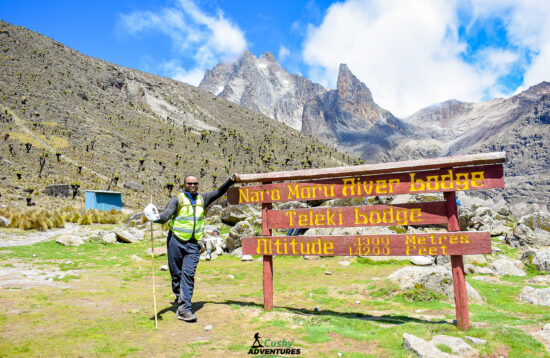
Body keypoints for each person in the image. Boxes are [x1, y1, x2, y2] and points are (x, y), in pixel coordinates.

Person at [153, 174, 236, 322]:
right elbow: (166, 215)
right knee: (176, 274)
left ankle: (184, 309)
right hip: (175, 241)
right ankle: (180, 299)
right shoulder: (177, 199)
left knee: (188, 275)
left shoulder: (202, 198)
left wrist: (230, 181)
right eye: (189, 183)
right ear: (185, 185)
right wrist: (154, 217)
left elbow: (218, 192)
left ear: (198, 185)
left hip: (193, 244)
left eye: (195, 183)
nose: (193, 185)